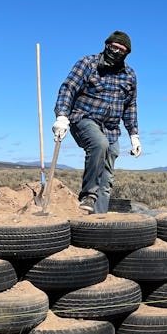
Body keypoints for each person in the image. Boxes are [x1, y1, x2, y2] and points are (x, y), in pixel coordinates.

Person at [52, 30, 140, 214]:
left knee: (109, 165)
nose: (116, 52)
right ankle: (88, 196)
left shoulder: (129, 75)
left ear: (126, 53)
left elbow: (130, 105)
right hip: (83, 118)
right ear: (107, 45)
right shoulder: (88, 63)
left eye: (121, 50)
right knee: (99, 144)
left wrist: (134, 134)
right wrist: (61, 116)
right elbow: (69, 88)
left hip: (111, 129)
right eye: (113, 47)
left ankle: (98, 219)